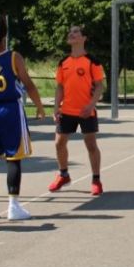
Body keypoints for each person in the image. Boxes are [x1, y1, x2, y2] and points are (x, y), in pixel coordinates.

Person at [0, 14, 45, 220]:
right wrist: (39, 106)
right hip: (10, 109)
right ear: (4, 34)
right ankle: (13, 206)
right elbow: (29, 85)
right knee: (13, 157)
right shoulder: (13, 57)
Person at [47, 25, 106, 196]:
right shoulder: (63, 62)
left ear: (83, 38)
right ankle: (63, 175)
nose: (71, 34)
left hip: (86, 111)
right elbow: (60, 87)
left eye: (76, 32)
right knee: (59, 143)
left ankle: (96, 180)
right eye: (70, 32)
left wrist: (91, 105)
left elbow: (99, 86)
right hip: (67, 110)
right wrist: (56, 107)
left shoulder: (92, 61)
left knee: (91, 145)